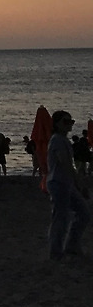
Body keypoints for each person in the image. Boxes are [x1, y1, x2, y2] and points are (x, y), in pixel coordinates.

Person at [46, 110, 89, 261]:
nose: (69, 124)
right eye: (65, 121)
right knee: (61, 218)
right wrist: (79, 182)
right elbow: (65, 163)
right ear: (56, 124)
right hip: (59, 183)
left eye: (71, 121)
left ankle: (72, 245)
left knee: (83, 213)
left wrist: (76, 183)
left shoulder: (63, 140)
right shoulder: (57, 140)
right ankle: (56, 252)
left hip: (66, 183)